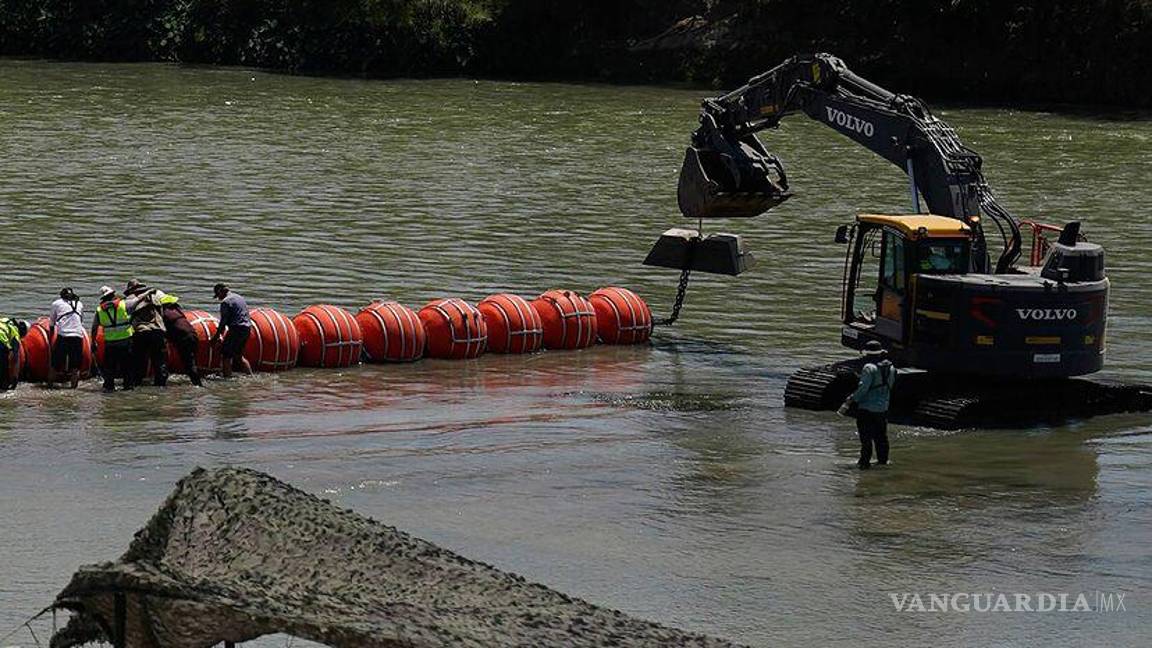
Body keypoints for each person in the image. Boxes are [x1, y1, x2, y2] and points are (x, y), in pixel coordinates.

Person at [846, 340, 896, 470]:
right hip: (883, 408)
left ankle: (864, 463)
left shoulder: (869, 368)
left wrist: (852, 399)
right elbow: (890, 386)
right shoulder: (891, 368)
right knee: (881, 437)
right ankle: (883, 462)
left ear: (867, 354)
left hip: (866, 408)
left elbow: (863, 388)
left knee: (866, 437)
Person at [124, 279, 169, 387]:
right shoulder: (154, 297)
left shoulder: (130, 299)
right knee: (159, 360)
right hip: (158, 331)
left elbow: (127, 314)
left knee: (139, 360)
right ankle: (161, 385)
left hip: (142, 332)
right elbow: (161, 313)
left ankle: (138, 384)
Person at [91, 286, 134, 392]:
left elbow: (94, 327)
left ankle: (109, 387)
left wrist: (93, 341)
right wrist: (148, 293)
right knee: (127, 365)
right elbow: (138, 301)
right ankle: (128, 387)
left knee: (109, 367)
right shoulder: (124, 304)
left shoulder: (100, 310)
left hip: (110, 342)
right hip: (125, 340)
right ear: (113, 295)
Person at [157, 292, 203, 386]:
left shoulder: (164, 313)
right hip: (193, 334)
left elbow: (162, 329)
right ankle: (197, 382)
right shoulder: (177, 310)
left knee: (188, 364)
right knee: (191, 362)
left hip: (183, 339)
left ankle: (197, 384)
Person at [209, 283, 252, 378]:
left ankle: (227, 380)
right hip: (247, 329)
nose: (218, 299)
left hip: (236, 329)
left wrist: (215, 337)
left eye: (218, 296)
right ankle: (250, 377)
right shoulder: (239, 298)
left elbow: (223, 321)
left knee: (226, 356)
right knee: (239, 356)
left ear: (220, 292)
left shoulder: (226, 302)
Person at [48, 287, 85, 389]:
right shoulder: (79, 304)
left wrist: (50, 341)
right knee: (75, 367)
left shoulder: (56, 303)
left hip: (63, 336)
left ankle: (50, 386)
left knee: (54, 365)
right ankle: (73, 389)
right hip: (78, 336)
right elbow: (80, 321)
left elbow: (51, 324)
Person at [0, 317, 28, 392]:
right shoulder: (15, 333)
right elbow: (15, 358)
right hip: (1, 342)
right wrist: (15, 379)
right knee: (3, 376)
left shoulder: (5, 321)